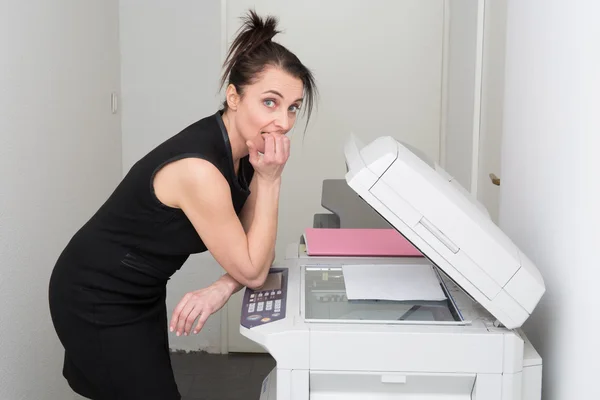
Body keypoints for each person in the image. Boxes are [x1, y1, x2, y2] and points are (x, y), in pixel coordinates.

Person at [48, 9, 317, 400]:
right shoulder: (200, 170)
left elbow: (256, 248)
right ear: (234, 96)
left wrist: (221, 288)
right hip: (96, 291)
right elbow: (254, 271)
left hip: (141, 289)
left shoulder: (244, 155)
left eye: (293, 107)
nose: (284, 122)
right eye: (271, 102)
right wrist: (272, 180)